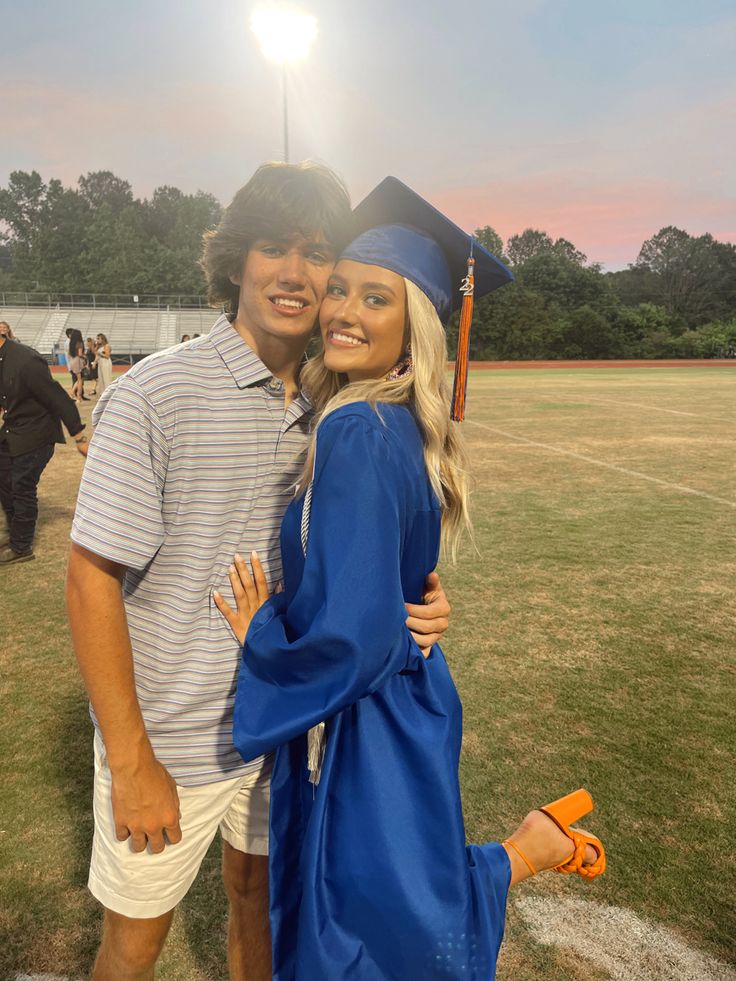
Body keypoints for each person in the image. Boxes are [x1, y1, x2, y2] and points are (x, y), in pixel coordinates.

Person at [66, 162, 451, 981]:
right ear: (237, 260)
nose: (295, 273)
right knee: (133, 946)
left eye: (317, 254)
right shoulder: (156, 395)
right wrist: (133, 760)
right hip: (173, 742)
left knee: (262, 914)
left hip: (286, 738)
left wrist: (418, 600)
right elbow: (90, 576)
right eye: (273, 247)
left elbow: (353, 553)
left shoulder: (332, 399)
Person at [219, 178, 606, 980]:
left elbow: (354, 639)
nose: (342, 312)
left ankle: (524, 852)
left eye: (375, 299)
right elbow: (390, 586)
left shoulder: (356, 427)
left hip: (366, 712)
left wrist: (263, 636)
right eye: (338, 292)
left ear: (413, 333)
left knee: (356, 930)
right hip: (413, 694)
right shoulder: (402, 426)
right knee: (402, 898)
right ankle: (526, 850)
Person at [0, 332, 88, 565]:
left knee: (21, 487)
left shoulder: (26, 361)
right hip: (13, 430)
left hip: (37, 434)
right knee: (5, 481)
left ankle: (21, 547)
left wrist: (79, 436)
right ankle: (15, 532)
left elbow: (57, 397)